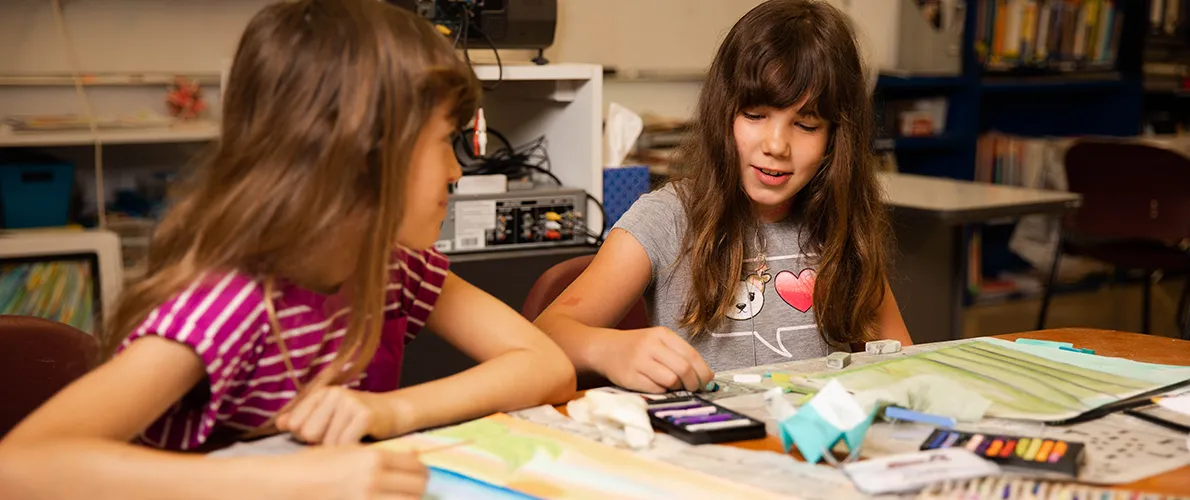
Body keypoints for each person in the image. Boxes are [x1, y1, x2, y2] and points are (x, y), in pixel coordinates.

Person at [0, 1, 575, 498]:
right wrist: (288, 484)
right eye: (442, 143)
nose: (456, 171)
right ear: (362, 157)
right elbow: (18, 469)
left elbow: (547, 367)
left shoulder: (390, 266)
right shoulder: (229, 304)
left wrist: (385, 411)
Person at [534, 0, 912, 394]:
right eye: (755, 116)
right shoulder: (666, 219)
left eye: (805, 124)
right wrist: (609, 349)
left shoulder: (841, 224)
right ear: (722, 114)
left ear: (836, 138)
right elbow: (545, 333)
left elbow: (902, 364)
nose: (777, 145)